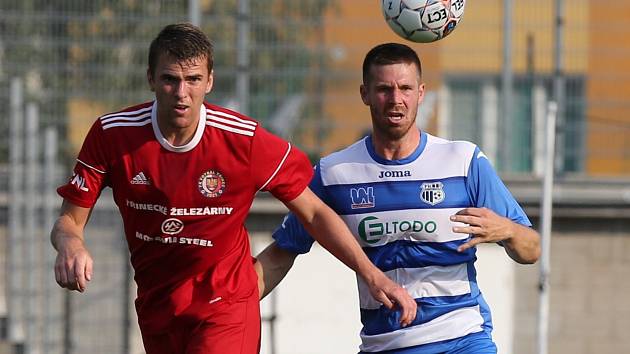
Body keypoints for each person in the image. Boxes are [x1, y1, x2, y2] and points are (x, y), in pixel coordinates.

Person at [50, 24, 417, 354]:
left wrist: (372, 274)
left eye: (193, 79)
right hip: (158, 303)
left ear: (209, 81)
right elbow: (69, 221)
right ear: (150, 78)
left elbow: (315, 211)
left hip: (225, 302)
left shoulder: (243, 140)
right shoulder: (114, 135)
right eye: (170, 79)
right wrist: (71, 245)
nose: (182, 93)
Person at [255, 43, 541, 354]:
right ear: (365, 94)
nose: (396, 100)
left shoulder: (463, 161)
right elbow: (282, 252)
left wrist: (510, 231)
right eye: (384, 89)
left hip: (463, 338)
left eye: (405, 88)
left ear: (421, 92)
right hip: (385, 344)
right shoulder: (335, 173)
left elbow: (532, 250)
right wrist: (224, 306)